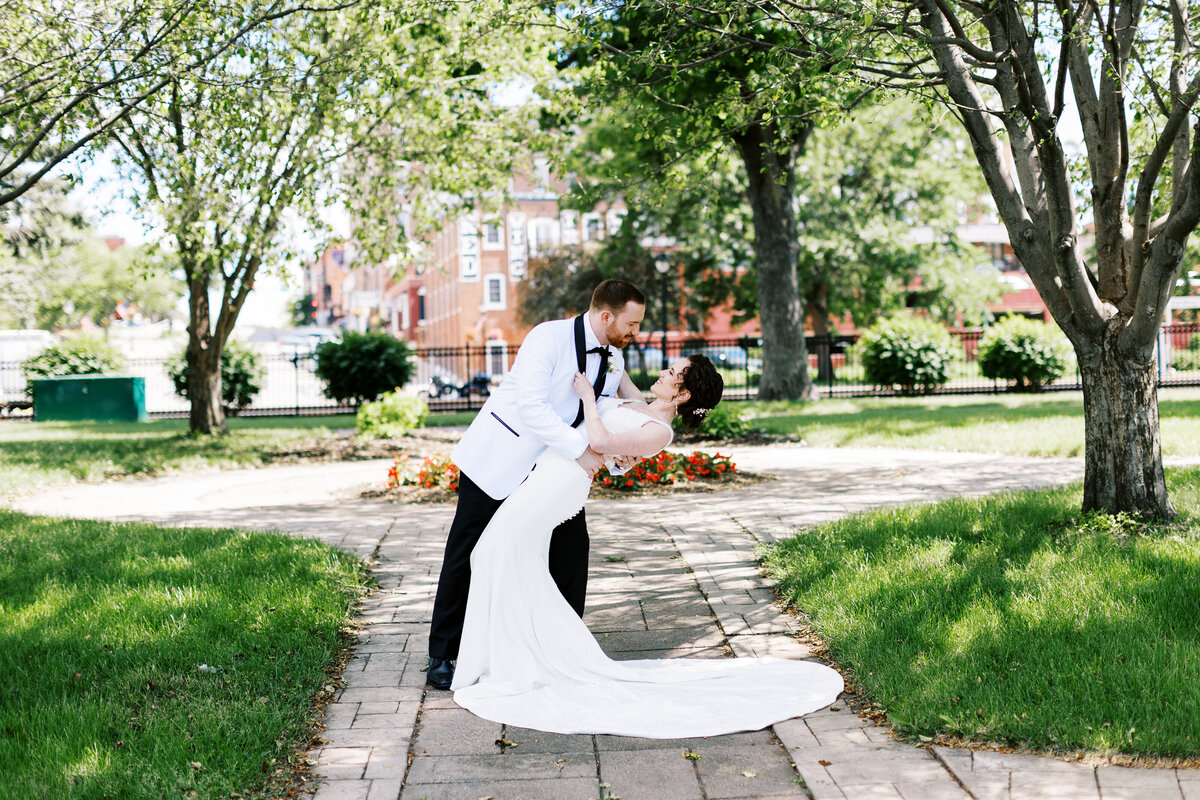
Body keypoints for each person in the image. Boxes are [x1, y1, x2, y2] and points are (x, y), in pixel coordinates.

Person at [450, 355, 844, 738]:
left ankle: (507, 659)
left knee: (490, 550)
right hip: (548, 472)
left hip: (563, 480)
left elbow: (601, 440)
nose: (662, 372)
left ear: (683, 395)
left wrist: (588, 397)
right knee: (516, 557)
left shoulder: (659, 430)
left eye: (672, 372)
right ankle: (515, 656)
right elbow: (615, 364)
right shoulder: (641, 403)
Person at [425, 279, 647, 690]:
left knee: (570, 548)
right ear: (606, 316)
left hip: (551, 470)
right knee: (468, 550)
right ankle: (444, 653)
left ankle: (561, 649)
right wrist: (581, 449)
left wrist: (625, 449)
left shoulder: (613, 356)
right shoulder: (547, 337)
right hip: (499, 457)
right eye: (632, 324)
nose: (636, 333)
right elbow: (530, 407)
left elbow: (607, 410)